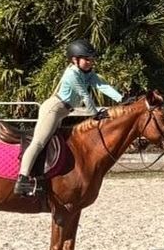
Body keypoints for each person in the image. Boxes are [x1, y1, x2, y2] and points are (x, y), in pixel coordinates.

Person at [14, 39, 124, 197]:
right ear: (75, 59)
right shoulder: (71, 74)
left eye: (91, 59)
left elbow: (102, 85)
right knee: (39, 142)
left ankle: (43, 178)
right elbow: (84, 95)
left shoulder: (87, 73)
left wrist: (121, 98)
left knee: (53, 143)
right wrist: (95, 114)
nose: (90, 62)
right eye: (87, 59)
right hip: (54, 109)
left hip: (62, 111)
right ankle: (22, 180)